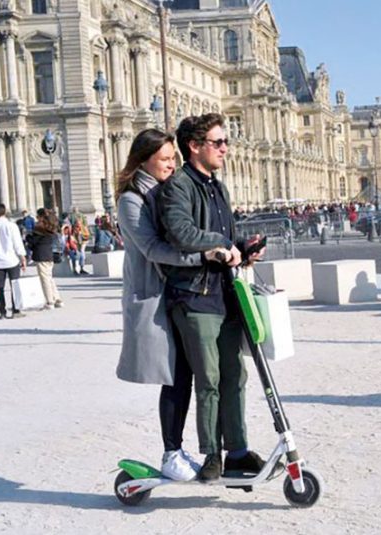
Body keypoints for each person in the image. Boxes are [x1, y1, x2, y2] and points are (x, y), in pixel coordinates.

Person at [115, 128, 231, 481]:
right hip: (153, 292)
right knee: (174, 374)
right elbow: (153, 249)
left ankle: (181, 450)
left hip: (178, 291)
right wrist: (203, 258)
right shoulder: (131, 198)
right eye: (164, 159)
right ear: (143, 160)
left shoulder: (167, 191)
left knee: (186, 373)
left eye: (172, 159)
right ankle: (171, 452)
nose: (171, 164)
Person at [159, 113, 266, 482]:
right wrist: (222, 246)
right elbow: (181, 233)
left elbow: (225, 238)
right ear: (194, 146)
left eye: (226, 142)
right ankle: (211, 456)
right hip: (194, 296)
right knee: (208, 378)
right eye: (218, 142)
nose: (225, 148)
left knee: (235, 374)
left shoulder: (217, 187)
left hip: (224, 292)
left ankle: (236, 450)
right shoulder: (179, 186)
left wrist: (243, 248)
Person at [0, 204, 28, 319]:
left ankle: (2, 312)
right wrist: (22, 257)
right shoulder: (11, 225)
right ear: (5, 212)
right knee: (15, 285)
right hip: (12, 260)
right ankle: (16, 310)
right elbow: (17, 243)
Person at [24, 209, 63, 309]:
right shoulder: (51, 224)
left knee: (45, 279)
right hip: (50, 254)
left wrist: (28, 237)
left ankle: (49, 301)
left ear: (40, 216)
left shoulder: (40, 227)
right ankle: (57, 298)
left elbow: (34, 241)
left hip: (41, 255)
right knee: (49, 278)